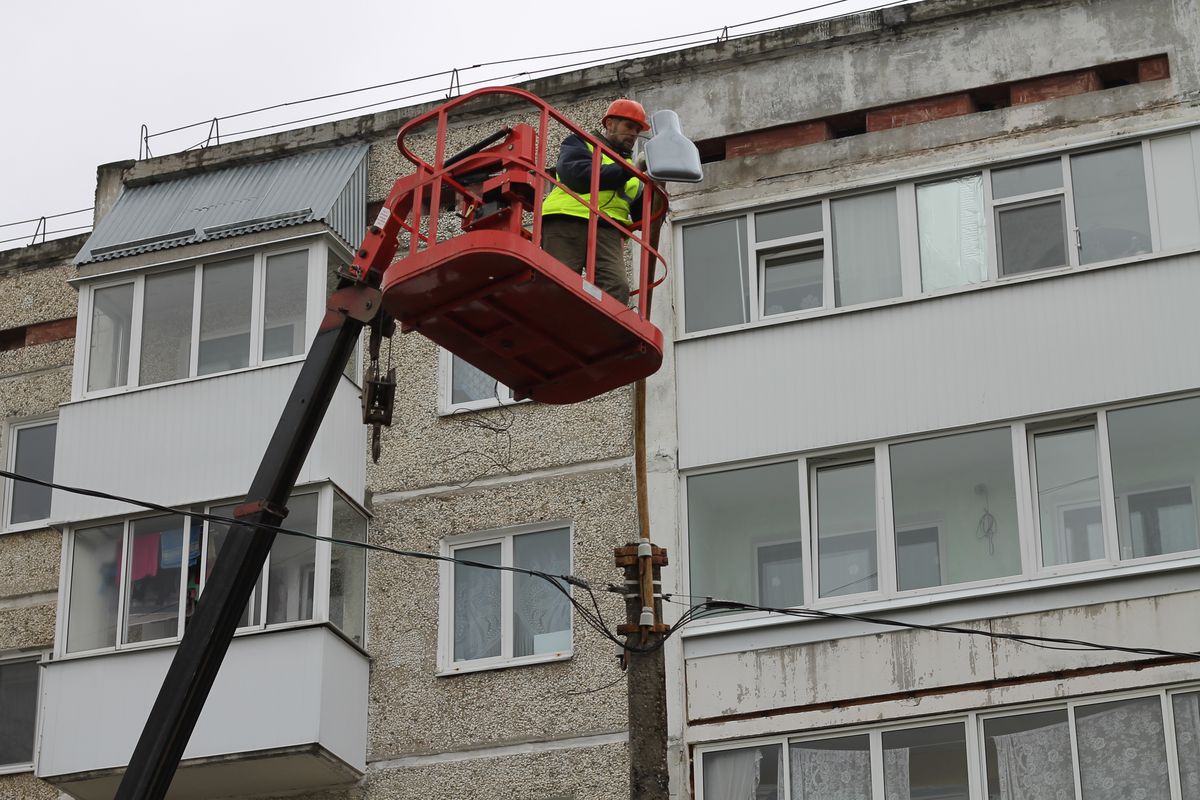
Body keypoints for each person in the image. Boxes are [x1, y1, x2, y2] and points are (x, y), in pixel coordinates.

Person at [541, 99, 651, 305]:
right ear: (609, 124)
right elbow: (579, 176)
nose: (633, 134)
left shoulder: (632, 171)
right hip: (567, 218)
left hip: (607, 229)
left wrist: (658, 182)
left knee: (617, 287)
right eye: (629, 126)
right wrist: (630, 170)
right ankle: (556, 325)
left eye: (637, 130)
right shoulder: (581, 143)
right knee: (560, 281)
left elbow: (644, 217)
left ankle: (600, 333)